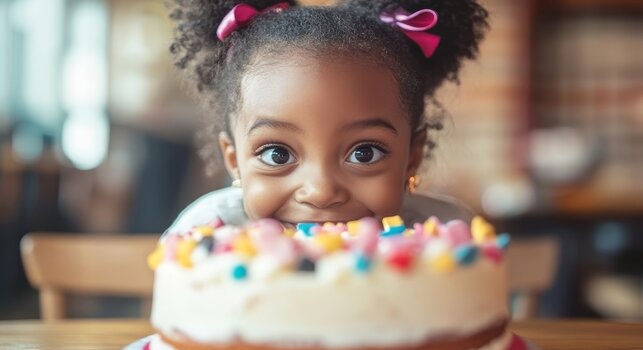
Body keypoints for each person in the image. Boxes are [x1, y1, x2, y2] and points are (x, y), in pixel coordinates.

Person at [164, 0, 489, 235]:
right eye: (277, 154)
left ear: (412, 157)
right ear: (234, 160)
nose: (320, 191)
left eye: (365, 153)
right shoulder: (207, 234)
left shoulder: (448, 237)